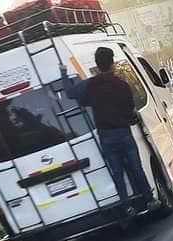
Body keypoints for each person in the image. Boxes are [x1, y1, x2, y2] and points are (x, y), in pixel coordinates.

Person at [60, 46, 152, 215]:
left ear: (97, 64)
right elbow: (130, 110)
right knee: (136, 168)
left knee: (117, 173)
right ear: (113, 64)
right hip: (124, 133)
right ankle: (149, 200)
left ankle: (127, 206)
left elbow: (71, 93)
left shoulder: (91, 85)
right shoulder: (122, 85)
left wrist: (64, 73)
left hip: (106, 136)